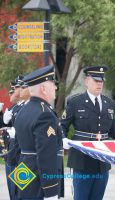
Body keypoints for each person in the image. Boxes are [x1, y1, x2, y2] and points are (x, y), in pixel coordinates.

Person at [60, 66, 115, 200]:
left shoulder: (109, 103)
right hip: (81, 160)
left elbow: (112, 128)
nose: (99, 84)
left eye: (101, 81)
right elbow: (62, 126)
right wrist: (63, 139)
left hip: (102, 160)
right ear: (86, 81)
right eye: (96, 80)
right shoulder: (75, 102)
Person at [14, 65, 64, 200]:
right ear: (43, 88)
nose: (55, 87)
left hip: (23, 172)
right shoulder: (44, 114)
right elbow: (46, 156)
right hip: (39, 180)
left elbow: (18, 148)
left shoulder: (23, 110)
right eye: (52, 84)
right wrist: (51, 191)